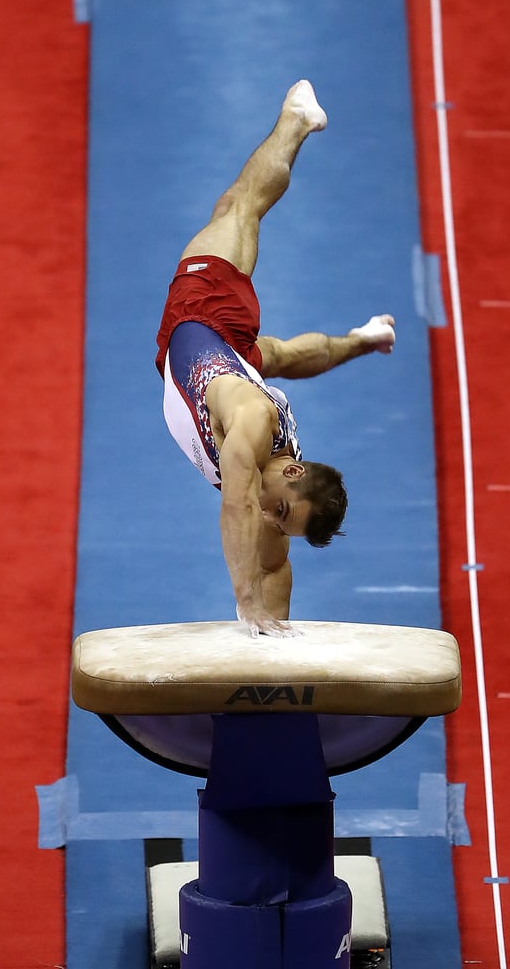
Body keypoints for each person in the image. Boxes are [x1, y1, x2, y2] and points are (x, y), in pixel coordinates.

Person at [155, 80, 396, 639]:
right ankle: (295, 116)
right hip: (206, 312)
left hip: (225, 356)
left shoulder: (275, 493)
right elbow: (237, 510)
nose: (271, 519)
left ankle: (362, 339)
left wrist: (273, 651)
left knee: (278, 356)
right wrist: (247, 611)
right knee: (240, 205)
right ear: (291, 471)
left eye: (282, 523)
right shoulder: (253, 435)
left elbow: (272, 565)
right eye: (283, 513)